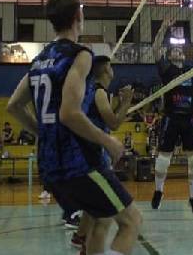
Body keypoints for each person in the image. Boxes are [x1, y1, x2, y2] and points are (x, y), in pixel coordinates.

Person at [6, 0, 141, 255]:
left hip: (50, 164)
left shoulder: (39, 60)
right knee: (132, 221)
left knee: (98, 221)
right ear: (78, 16)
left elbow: (13, 105)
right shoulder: (80, 55)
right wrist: (109, 142)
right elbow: (69, 114)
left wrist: (43, 133)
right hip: (79, 162)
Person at [149, 15, 193, 218]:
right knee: (163, 159)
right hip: (171, 116)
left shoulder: (190, 71)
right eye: (175, 50)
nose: (179, 51)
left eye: (180, 50)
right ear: (170, 56)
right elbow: (155, 49)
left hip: (190, 119)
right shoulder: (166, 70)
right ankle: (159, 191)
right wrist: (162, 28)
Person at [70, 55, 136, 251]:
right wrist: (126, 101)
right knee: (112, 216)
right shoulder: (99, 93)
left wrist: (120, 104)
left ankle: (80, 237)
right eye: (111, 66)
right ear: (107, 69)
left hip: (87, 152)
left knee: (95, 204)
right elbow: (114, 123)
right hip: (91, 154)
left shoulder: (95, 91)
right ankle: (83, 238)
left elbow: (106, 116)